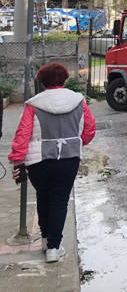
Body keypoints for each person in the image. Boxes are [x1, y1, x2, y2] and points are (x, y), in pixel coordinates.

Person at [8, 63, 96, 263]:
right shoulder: (78, 101)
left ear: (42, 81)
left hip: (38, 162)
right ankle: (54, 249)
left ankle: (47, 240)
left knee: (43, 197)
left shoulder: (33, 104)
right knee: (59, 201)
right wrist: (77, 141)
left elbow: (22, 134)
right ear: (64, 79)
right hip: (69, 158)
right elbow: (89, 129)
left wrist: (18, 162)